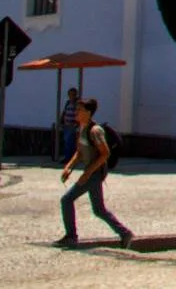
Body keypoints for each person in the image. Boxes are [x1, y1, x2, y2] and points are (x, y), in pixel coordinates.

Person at [56, 98, 132, 249]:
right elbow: (79, 152)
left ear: (88, 113)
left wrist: (87, 173)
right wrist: (69, 167)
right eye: (76, 109)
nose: (76, 112)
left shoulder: (95, 131)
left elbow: (105, 153)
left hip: (95, 174)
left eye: (80, 110)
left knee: (66, 200)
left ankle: (71, 236)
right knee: (99, 210)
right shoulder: (81, 129)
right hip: (90, 173)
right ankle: (125, 233)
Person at [60, 87, 81, 162]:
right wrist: (61, 121)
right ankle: (68, 157)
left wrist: (76, 123)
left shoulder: (77, 103)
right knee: (67, 141)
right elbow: (64, 112)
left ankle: (69, 158)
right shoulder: (68, 103)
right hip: (66, 125)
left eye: (73, 94)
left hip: (73, 125)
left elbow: (79, 113)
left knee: (70, 142)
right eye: (70, 94)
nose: (71, 96)